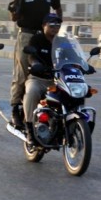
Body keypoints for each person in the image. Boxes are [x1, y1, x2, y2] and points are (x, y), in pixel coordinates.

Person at [8, 0, 62, 129]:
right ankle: (16, 110)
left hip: (46, 36)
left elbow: (58, 8)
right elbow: (14, 17)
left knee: (54, 71)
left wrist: (58, 25)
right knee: (22, 74)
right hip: (26, 34)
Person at [22, 13, 62, 143]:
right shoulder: (37, 39)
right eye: (51, 25)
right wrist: (35, 64)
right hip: (38, 79)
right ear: (44, 25)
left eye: (57, 25)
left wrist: (82, 65)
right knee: (32, 92)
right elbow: (31, 56)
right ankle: (29, 128)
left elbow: (71, 56)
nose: (55, 28)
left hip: (57, 81)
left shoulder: (61, 42)